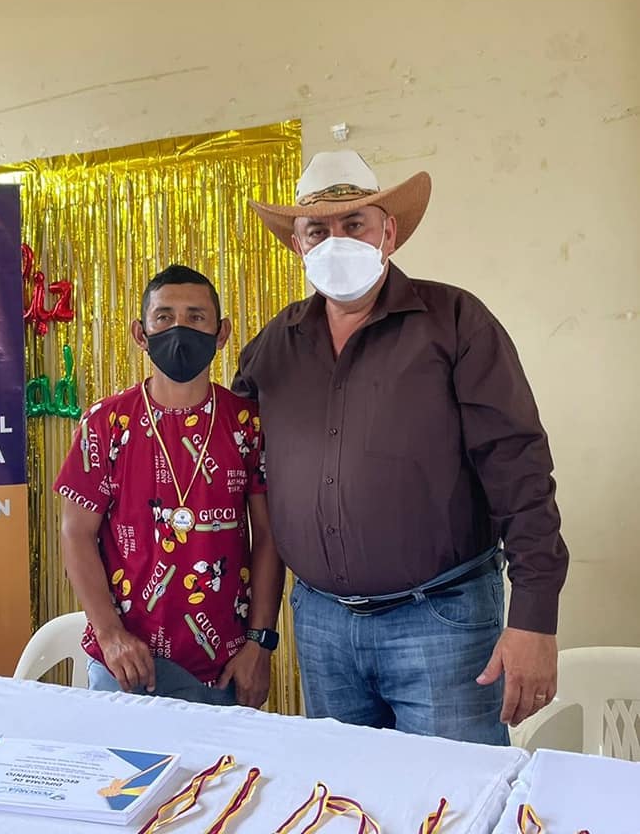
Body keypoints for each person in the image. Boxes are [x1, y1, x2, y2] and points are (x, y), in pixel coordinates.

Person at [233, 150, 569, 744]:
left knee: (454, 793)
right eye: (318, 230)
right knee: (346, 792)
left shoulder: (456, 322)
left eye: (354, 223)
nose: (336, 241)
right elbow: (233, 463)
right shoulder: (272, 347)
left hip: (444, 623)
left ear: (388, 232)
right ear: (298, 246)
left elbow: (518, 468)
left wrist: (534, 617)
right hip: (322, 625)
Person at [56, 265, 284, 706]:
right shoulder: (105, 424)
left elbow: (269, 536)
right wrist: (110, 634)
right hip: (124, 662)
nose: (180, 329)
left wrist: (260, 642)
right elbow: (75, 532)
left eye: (196, 317)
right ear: (140, 334)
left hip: (225, 664)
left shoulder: (247, 424)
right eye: (164, 317)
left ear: (221, 333)